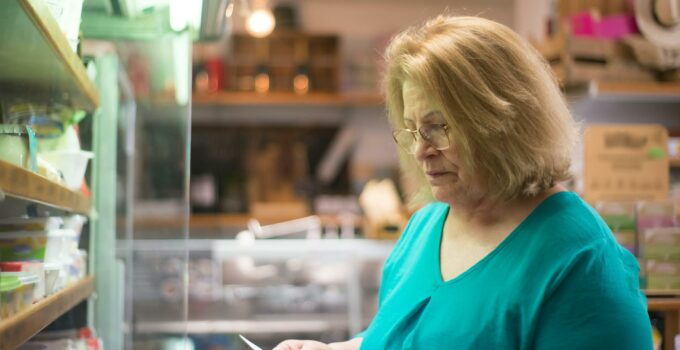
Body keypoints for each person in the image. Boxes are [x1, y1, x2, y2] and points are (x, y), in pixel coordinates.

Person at [273, 15, 652, 350]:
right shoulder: (426, 226)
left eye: (439, 127)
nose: (421, 150)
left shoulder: (580, 262)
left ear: (505, 122)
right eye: (412, 129)